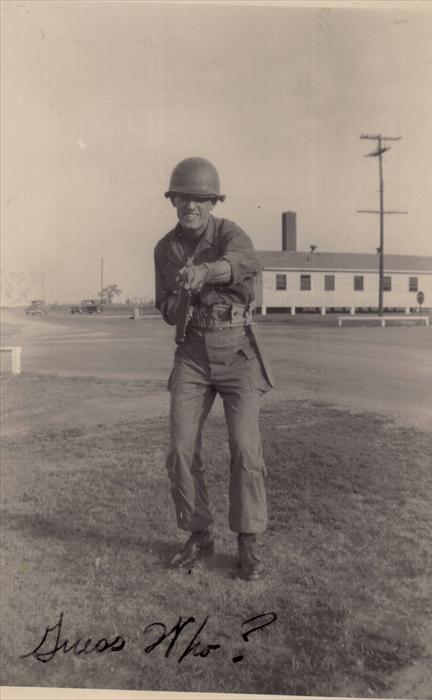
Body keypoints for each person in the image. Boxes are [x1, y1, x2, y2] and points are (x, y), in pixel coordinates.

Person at [154, 157, 273, 581]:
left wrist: (204, 274)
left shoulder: (230, 232)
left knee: (245, 448)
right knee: (181, 449)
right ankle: (199, 533)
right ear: (174, 200)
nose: (192, 206)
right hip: (192, 354)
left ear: (212, 202)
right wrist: (180, 299)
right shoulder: (165, 249)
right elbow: (165, 308)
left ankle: (249, 541)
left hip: (238, 352)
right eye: (184, 197)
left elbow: (241, 265)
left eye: (201, 199)